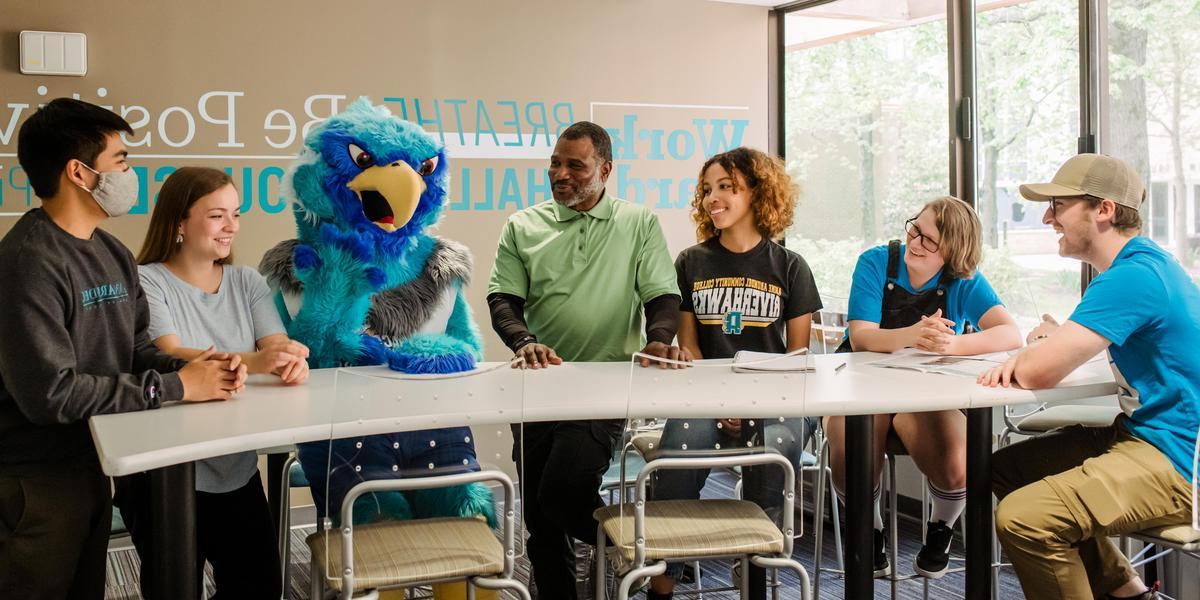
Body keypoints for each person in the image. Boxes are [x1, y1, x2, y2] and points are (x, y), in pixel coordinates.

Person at [0, 98, 245, 600]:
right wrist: (178, 386)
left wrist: (197, 366)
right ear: (80, 173)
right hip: (34, 479)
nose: (130, 173)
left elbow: (134, 350)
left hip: (94, 462)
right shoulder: (29, 261)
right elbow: (51, 394)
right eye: (122, 161)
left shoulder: (111, 252)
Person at [981, 154, 1198, 600]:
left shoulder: (1132, 276)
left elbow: (1039, 368)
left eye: (1058, 205)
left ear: (1104, 210)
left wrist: (1040, 349)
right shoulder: (1146, 266)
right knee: (1006, 468)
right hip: (1148, 437)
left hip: (1180, 463)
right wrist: (1056, 340)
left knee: (1025, 519)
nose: (1047, 217)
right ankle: (1128, 592)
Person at [486, 121, 687, 599]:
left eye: (575, 164)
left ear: (605, 169)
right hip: (535, 385)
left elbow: (661, 295)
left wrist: (659, 338)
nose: (561, 173)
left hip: (604, 385)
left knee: (559, 492)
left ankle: (642, 559)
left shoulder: (637, 222)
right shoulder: (522, 225)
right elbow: (503, 300)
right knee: (540, 518)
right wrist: (523, 341)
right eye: (556, 163)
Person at [112, 167, 309, 599]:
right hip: (166, 475)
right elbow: (169, 354)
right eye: (218, 215)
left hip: (233, 468)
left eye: (235, 214)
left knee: (258, 586)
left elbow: (274, 344)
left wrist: (287, 359)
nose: (232, 227)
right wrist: (259, 360)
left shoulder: (247, 280)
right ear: (179, 222)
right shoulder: (148, 280)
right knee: (175, 588)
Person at [646, 147, 822, 600]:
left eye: (727, 187)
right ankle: (662, 580)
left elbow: (797, 358)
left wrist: (749, 405)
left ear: (757, 193)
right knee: (677, 454)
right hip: (707, 395)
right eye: (708, 189)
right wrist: (722, 402)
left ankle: (757, 573)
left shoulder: (790, 266)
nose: (712, 198)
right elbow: (691, 347)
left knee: (777, 448)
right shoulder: (690, 262)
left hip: (774, 400)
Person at [827, 196, 1021, 579]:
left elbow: (1010, 333)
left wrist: (953, 344)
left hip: (925, 396)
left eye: (929, 240)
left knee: (957, 463)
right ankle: (870, 528)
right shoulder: (876, 262)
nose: (916, 242)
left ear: (952, 252)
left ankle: (942, 529)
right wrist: (914, 336)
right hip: (861, 391)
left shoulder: (964, 281)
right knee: (852, 444)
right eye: (915, 228)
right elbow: (862, 336)